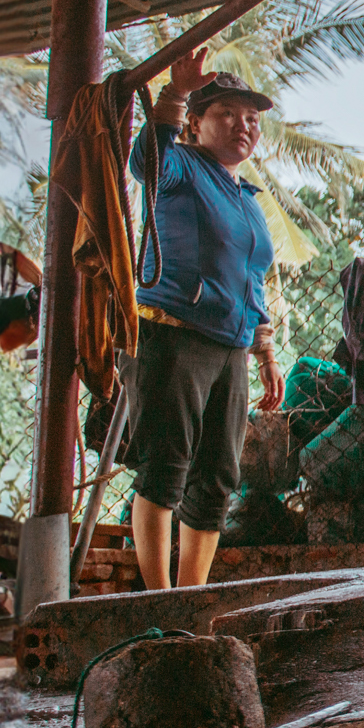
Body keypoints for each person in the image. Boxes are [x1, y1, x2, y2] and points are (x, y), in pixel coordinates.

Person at [126, 48, 283, 588]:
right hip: (174, 335)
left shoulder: (247, 197)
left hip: (231, 347)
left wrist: (264, 349)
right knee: (166, 467)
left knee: (216, 478)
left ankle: (190, 599)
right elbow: (141, 158)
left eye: (253, 119)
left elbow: (253, 281)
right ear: (196, 122)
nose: (244, 126)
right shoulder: (178, 166)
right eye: (229, 115)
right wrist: (172, 93)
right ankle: (159, 600)